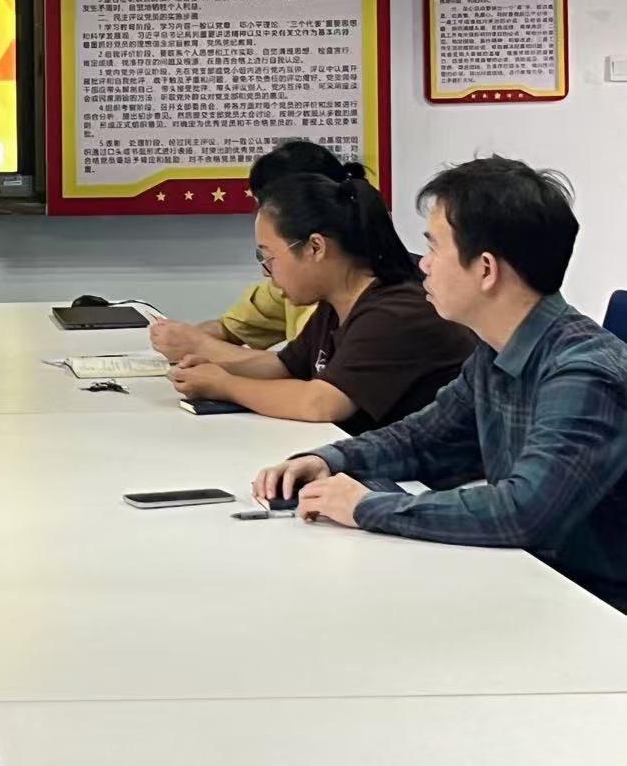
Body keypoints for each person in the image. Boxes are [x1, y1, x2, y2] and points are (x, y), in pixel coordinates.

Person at [256, 157, 627, 611]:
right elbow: (424, 438)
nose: (424, 264)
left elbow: (524, 513)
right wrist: (328, 460)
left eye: (434, 247)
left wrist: (365, 506)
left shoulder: (583, 371)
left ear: (486, 269)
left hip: (597, 614)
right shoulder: (495, 352)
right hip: (530, 585)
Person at [169, 166, 475, 432]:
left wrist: (225, 385)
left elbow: (321, 403)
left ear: (315, 247)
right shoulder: (335, 304)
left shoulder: (394, 313)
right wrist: (214, 368)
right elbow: (284, 366)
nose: (266, 272)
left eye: (269, 257)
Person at [150, 140, 349, 363]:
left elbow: (305, 374)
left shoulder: (358, 302)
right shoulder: (299, 280)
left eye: (269, 256)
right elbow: (234, 329)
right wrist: (184, 339)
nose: (266, 272)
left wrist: (203, 350)